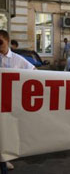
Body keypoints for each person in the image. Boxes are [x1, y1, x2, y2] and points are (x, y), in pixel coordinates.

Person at [0, 30, 35, 171]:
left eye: (0, 42)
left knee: (7, 133)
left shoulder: (17, 59)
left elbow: (34, 73)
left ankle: (5, 159)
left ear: (7, 41)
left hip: (10, 104)